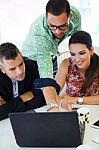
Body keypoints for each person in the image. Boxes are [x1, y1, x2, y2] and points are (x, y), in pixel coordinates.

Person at [22, 0, 81, 78]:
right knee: (42, 86)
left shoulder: (75, 15)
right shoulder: (38, 32)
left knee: (54, 83)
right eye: (52, 26)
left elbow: (78, 39)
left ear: (70, 16)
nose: (57, 31)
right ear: (46, 18)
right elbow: (45, 71)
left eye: (62, 26)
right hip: (31, 59)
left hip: (51, 54)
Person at [0, 42, 46, 120]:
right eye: (12, 69)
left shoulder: (31, 66)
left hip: (30, 117)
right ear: (2, 69)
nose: (20, 71)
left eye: (21, 64)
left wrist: (8, 106)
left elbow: (41, 99)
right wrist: (22, 98)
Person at [55, 31, 99, 105]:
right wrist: (63, 102)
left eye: (82, 53)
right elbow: (54, 93)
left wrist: (77, 99)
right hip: (71, 109)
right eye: (73, 54)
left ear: (91, 51)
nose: (77, 59)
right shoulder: (66, 64)